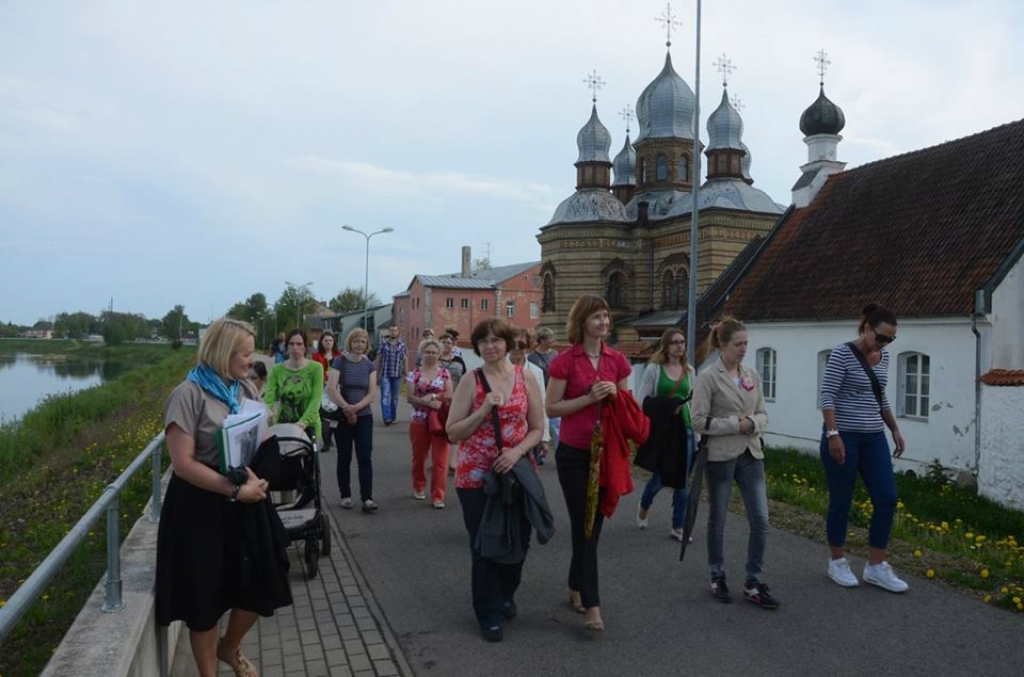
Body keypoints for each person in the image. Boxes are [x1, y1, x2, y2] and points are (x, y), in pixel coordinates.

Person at [156, 318, 291, 677]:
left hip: (245, 499)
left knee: (268, 573)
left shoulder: (244, 388)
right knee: (205, 596)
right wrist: (234, 489)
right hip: (200, 507)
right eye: (245, 354)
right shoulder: (187, 394)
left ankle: (229, 648)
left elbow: (263, 437)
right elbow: (182, 464)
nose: (252, 361)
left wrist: (261, 480)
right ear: (221, 352)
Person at [445, 318, 546, 643]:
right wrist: (482, 411)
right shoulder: (471, 381)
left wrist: (516, 453)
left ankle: (505, 593)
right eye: (483, 342)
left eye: (496, 340)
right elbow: (453, 431)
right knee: (485, 544)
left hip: (517, 472)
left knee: (520, 538)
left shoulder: (525, 377)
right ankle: (488, 612)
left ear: (507, 343)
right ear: (477, 348)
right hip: (475, 477)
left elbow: (536, 428)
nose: (490, 346)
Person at [545, 295, 633, 632]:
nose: (604, 323)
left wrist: (615, 394)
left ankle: (575, 582)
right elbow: (552, 407)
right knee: (584, 523)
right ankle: (592, 606)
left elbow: (627, 406)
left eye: (606, 316)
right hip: (573, 453)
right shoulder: (566, 361)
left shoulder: (617, 361)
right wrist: (587, 398)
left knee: (592, 528)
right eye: (597, 317)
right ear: (582, 322)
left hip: (605, 453)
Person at [819, 304, 908, 592]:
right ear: (867, 328)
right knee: (842, 499)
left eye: (891, 339)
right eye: (881, 337)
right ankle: (837, 561)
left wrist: (894, 428)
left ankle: (876, 566)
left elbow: (879, 397)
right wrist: (833, 434)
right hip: (844, 436)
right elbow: (827, 395)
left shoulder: (884, 357)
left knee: (887, 497)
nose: (884, 343)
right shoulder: (842, 353)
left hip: (874, 437)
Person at [691, 317, 777, 610]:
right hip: (721, 456)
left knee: (761, 520)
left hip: (751, 453)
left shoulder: (751, 373)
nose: (743, 349)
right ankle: (717, 574)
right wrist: (733, 425)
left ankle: (753, 580)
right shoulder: (708, 377)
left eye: (746, 344)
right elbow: (698, 421)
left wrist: (752, 423)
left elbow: (764, 413)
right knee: (719, 518)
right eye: (738, 344)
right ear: (723, 344)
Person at [635, 327, 695, 542]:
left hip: (686, 430)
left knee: (682, 480)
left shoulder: (689, 371)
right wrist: (669, 406)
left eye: (682, 342)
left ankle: (678, 526)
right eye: (675, 342)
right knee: (660, 477)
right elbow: (642, 401)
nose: (680, 345)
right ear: (666, 345)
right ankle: (644, 505)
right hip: (663, 432)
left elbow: (693, 401)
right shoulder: (654, 369)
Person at [328, 328, 380, 513]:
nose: (360, 345)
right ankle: (345, 495)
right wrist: (347, 408)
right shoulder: (339, 361)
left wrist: (356, 408)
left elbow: (372, 393)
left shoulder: (369, 365)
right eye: (356, 341)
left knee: (365, 457)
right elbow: (331, 389)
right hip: (343, 417)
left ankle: (367, 498)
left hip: (364, 416)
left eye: (363, 342)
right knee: (344, 457)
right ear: (350, 342)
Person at [406, 338, 453, 508]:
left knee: (440, 459)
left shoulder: (444, 373)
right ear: (422, 353)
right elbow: (410, 398)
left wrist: (434, 396)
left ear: (439, 354)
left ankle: (438, 496)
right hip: (419, 419)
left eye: (434, 352)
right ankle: (419, 486)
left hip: (440, 420)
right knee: (419, 457)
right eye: (428, 352)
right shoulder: (414, 373)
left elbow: (449, 393)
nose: (431, 355)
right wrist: (427, 403)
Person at [264, 329, 324, 442]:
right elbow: (269, 397)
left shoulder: (316, 368)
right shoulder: (277, 370)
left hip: (309, 426)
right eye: (291, 344)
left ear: (305, 346)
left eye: (299, 344)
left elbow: (316, 399)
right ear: (286, 346)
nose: (295, 347)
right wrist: (267, 414)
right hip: (284, 427)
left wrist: (303, 422)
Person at [509, 327, 550, 465]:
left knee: (528, 478)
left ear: (527, 347)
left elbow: (542, 405)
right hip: (504, 432)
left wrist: (544, 438)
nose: (516, 348)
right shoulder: (498, 369)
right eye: (512, 343)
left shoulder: (535, 372)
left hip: (529, 433)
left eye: (521, 344)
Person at [439, 330, 468, 472]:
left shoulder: (459, 360)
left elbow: (464, 379)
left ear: (453, 345)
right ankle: (439, 459)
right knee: (438, 430)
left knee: (454, 429)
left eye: (449, 343)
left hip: (456, 399)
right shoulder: (434, 359)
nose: (446, 345)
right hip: (437, 400)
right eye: (443, 342)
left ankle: (452, 462)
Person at [529, 326, 561, 442]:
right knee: (539, 424)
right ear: (542, 341)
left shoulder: (555, 354)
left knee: (556, 426)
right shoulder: (531, 358)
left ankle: (559, 454)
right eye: (550, 338)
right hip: (538, 396)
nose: (553, 340)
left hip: (554, 395)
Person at [312, 331, 342, 451]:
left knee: (334, 416)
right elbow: (313, 371)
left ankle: (329, 438)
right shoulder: (316, 356)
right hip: (322, 387)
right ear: (321, 342)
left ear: (334, 342)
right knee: (324, 414)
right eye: (326, 340)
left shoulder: (339, 355)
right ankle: (325, 442)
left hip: (336, 387)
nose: (328, 342)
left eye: (330, 340)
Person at [375, 325, 408, 426]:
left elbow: (405, 360)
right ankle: (386, 417)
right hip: (385, 374)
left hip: (397, 375)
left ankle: (393, 417)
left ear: (398, 332)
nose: (393, 332)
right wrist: (377, 374)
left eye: (395, 330)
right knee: (385, 396)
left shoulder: (402, 346)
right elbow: (379, 360)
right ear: (388, 332)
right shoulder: (383, 345)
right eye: (391, 330)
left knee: (394, 398)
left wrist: (407, 374)